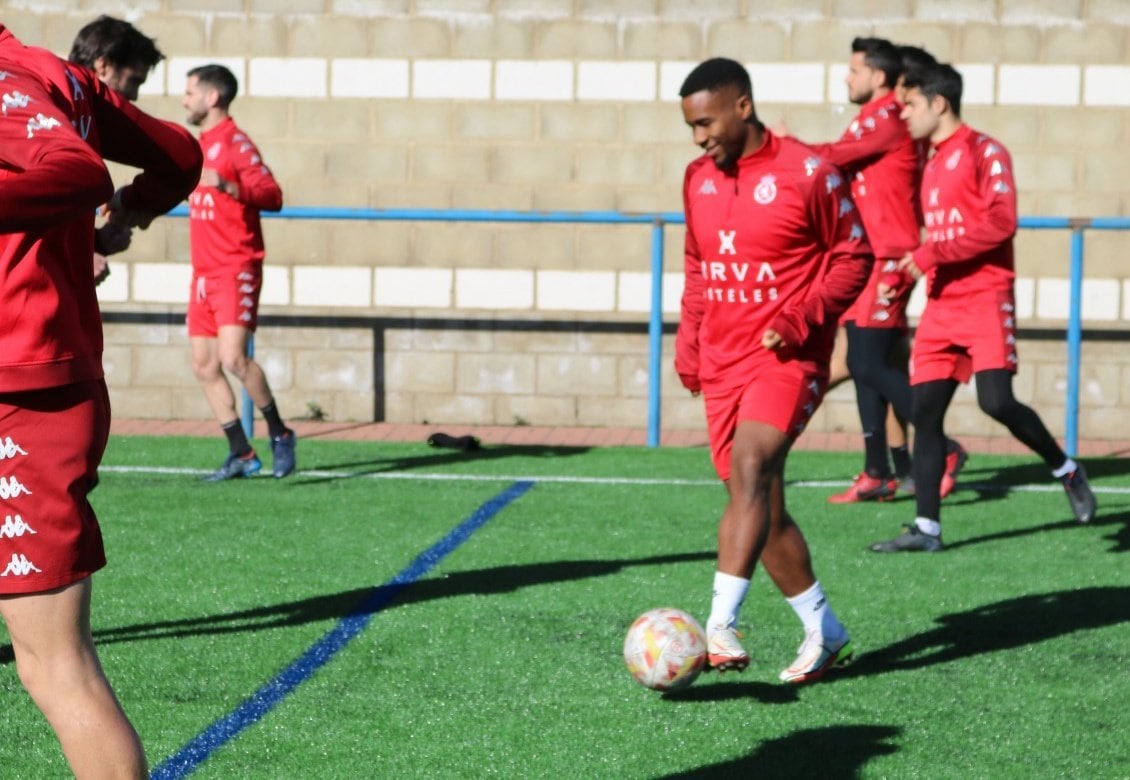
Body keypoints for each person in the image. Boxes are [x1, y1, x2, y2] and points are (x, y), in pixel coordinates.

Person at [0, 23, 201, 776]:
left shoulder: (10, 82)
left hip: (24, 397)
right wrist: (132, 213)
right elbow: (179, 156)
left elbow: (78, 173)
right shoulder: (58, 75)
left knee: (54, 668)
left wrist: (109, 209)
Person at [675, 58, 871, 682]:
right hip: (723, 360)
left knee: (752, 465)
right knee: (758, 503)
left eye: (706, 122)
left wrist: (801, 317)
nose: (700, 137)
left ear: (742, 106)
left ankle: (720, 625)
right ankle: (824, 629)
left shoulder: (809, 173)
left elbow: (854, 256)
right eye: (690, 127)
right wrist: (689, 341)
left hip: (787, 356)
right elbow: (699, 266)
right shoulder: (697, 179)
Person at [870, 63, 1097, 552]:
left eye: (909, 104)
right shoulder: (928, 162)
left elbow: (1001, 222)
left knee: (996, 401)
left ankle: (1066, 468)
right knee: (925, 413)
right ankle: (927, 529)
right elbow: (934, 237)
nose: (902, 114)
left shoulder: (984, 150)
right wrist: (898, 276)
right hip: (942, 303)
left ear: (939, 103)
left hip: (985, 296)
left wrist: (932, 254)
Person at [182, 64, 295, 481]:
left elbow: (273, 195)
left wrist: (228, 185)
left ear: (212, 97)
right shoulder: (198, 145)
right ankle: (242, 453)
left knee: (233, 358)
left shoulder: (236, 144)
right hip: (203, 273)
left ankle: (281, 434)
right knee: (203, 365)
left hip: (235, 266)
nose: (184, 100)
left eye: (190, 91)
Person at [69, 15, 166, 285]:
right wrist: (82, 254)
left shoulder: (84, 123)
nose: (134, 96)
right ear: (103, 66)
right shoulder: (52, 115)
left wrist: (96, 242)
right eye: (134, 81)